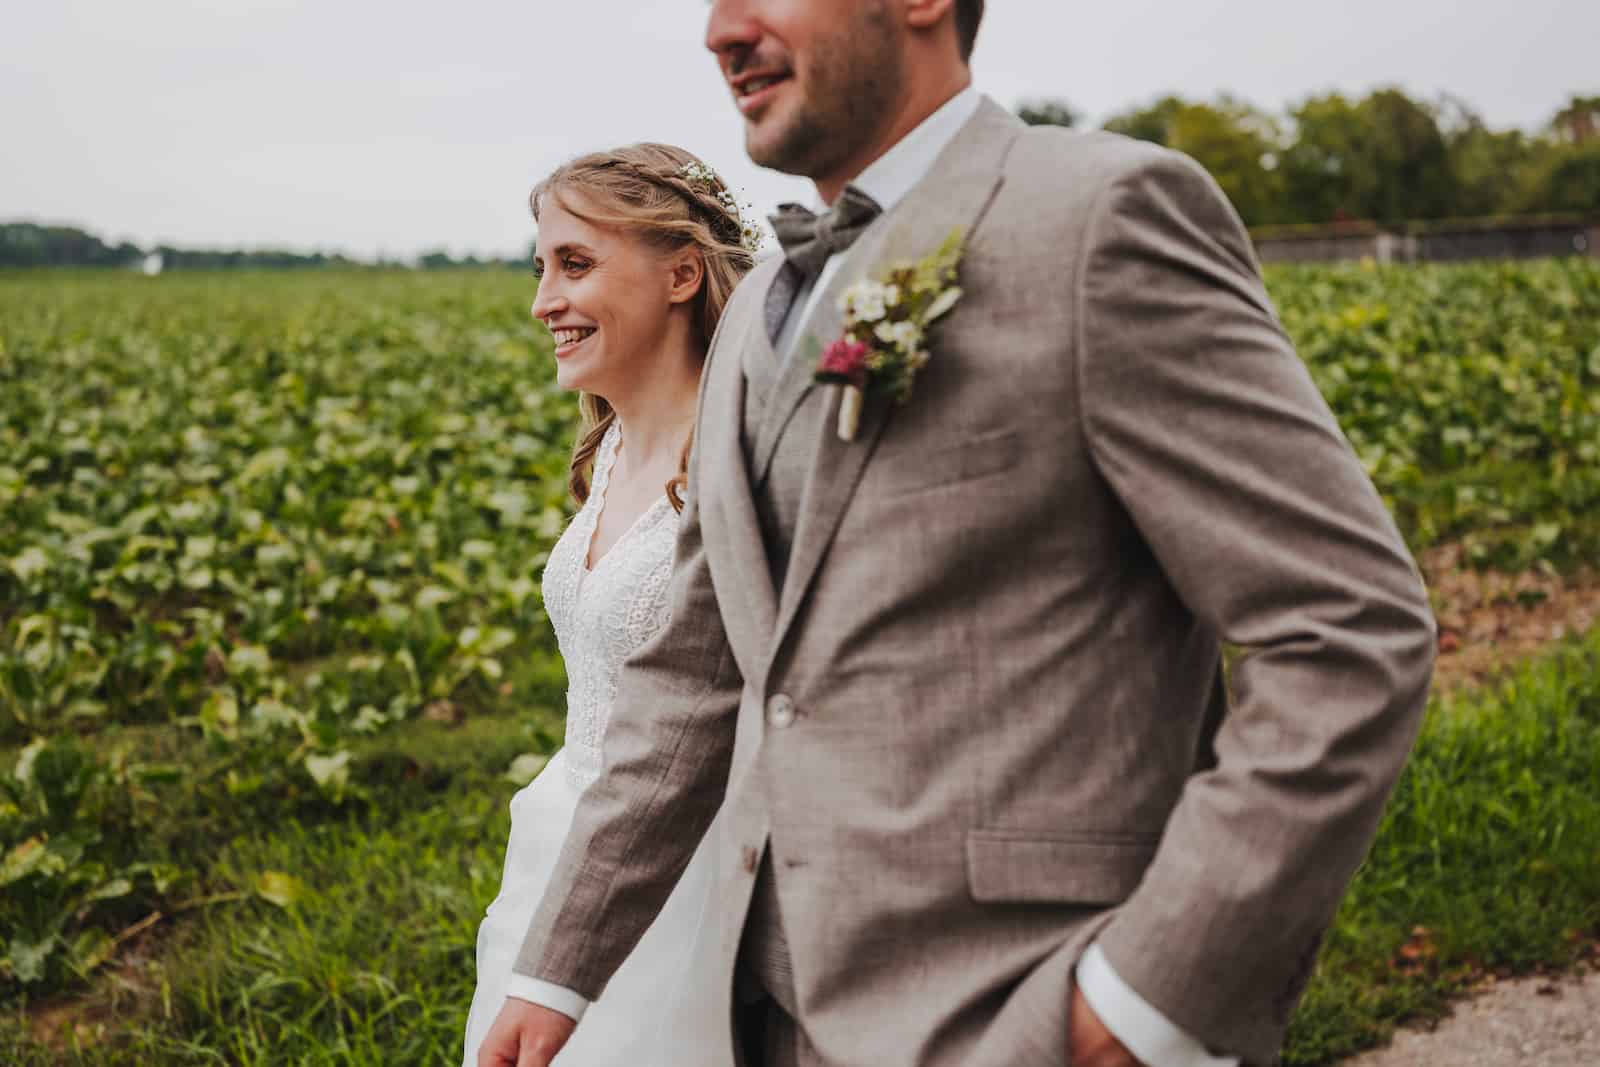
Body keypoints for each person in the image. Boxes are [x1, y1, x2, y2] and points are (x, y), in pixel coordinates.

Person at [481, 2, 1438, 1065]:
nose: (722, 30)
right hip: (774, 1011)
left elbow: (1346, 631)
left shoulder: (1099, 215)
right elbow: (695, 677)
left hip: (1027, 1009)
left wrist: (1141, 1002)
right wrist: (556, 968)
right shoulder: (757, 318)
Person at [461, 142, 755, 1067]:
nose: (544, 299)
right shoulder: (614, 445)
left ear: (681, 271)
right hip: (565, 829)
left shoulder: (745, 457)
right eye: (541, 266)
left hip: (691, 869)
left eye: (575, 264)